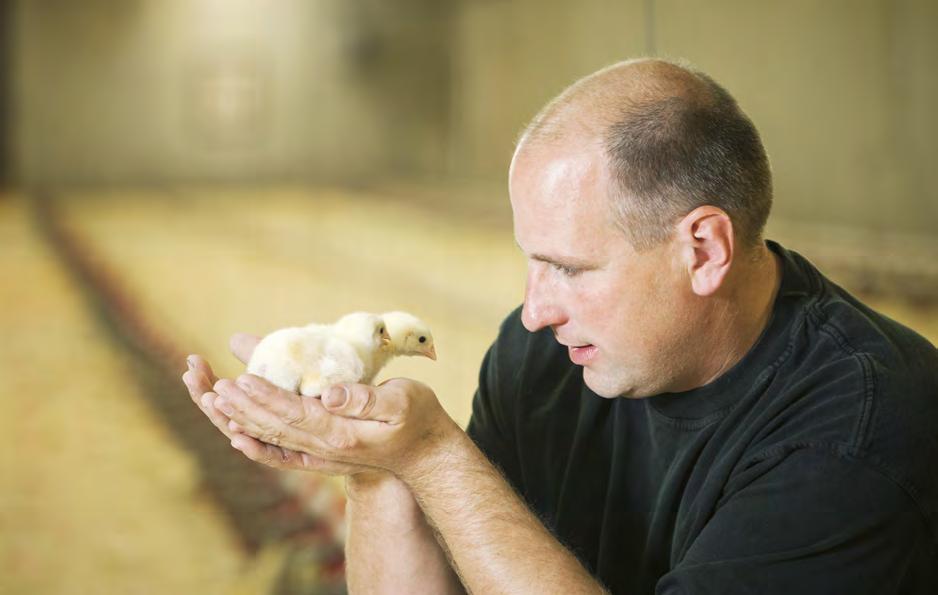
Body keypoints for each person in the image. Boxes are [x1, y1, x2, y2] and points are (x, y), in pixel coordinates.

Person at [182, 58, 938, 593]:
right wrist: (376, 470)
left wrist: (441, 460)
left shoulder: (859, 431)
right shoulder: (544, 353)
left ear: (703, 250)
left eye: (569, 267)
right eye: (530, 261)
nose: (534, 307)